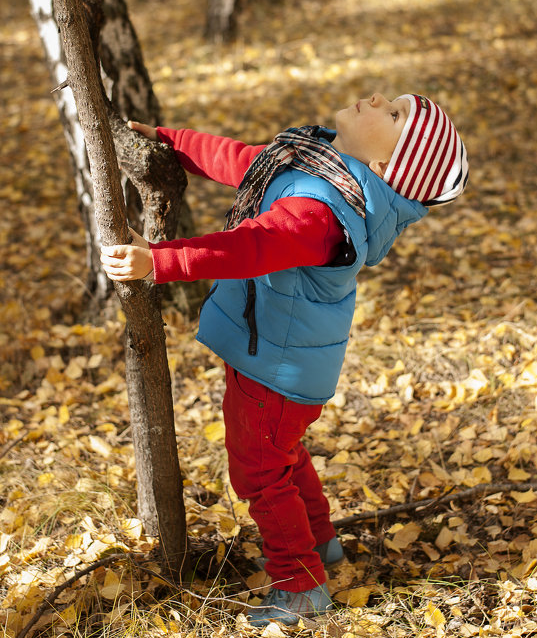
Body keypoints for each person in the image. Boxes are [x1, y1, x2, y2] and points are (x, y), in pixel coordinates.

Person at [101, 93, 468, 627]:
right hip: (272, 351)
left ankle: (300, 583)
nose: (379, 100)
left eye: (393, 116)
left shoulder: (322, 213)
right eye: (396, 102)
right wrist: (171, 143)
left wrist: (157, 262)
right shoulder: (316, 161)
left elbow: (250, 246)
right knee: (283, 454)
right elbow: (246, 162)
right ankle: (321, 543)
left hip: (276, 368)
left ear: (386, 165)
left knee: (259, 471)